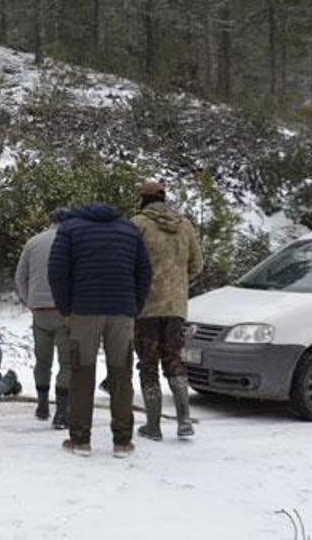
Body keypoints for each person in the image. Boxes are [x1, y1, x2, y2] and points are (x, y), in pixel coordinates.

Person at [48, 203, 152, 459]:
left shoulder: (70, 229)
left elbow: (57, 273)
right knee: (121, 375)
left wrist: (66, 308)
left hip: (84, 311)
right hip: (122, 312)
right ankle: (122, 442)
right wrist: (134, 306)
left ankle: (81, 440)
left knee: (82, 375)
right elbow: (145, 273)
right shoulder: (129, 230)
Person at [132, 180, 204, 440]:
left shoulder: (138, 224)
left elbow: (129, 262)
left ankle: (153, 426)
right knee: (174, 360)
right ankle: (184, 421)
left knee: (148, 364)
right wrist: (180, 285)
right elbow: (197, 265)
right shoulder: (185, 225)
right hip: (176, 307)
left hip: (146, 308)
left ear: (142, 199)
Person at [15, 208, 71, 428]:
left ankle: (42, 405)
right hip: (64, 310)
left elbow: (20, 276)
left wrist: (29, 300)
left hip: (39, 309)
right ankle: (61, 413)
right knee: (66, 363)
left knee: (43, 360)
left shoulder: (33, 242)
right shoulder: (70, 242)